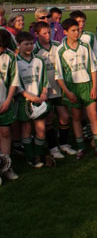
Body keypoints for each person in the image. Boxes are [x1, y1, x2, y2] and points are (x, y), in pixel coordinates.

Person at [54, 18, 97, 160]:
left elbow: (93, 68)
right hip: (72, 87)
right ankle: (81, 147)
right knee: (77, 117)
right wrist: (67, 92)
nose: (76, 33)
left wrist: (94, 86)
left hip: (87, 85)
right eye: (73, 30)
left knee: (93, 116)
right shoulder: (61, 50)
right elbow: (59, 75)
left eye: (78, 30)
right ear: (65, 32)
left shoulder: (85, 46)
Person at [33, 21, 76, 159]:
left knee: (64, 117)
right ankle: (52, 147)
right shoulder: (34, 49)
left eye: (49, 32)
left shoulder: (58, 46)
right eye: (44, 33)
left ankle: (63, 144)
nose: (47, 35)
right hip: (44, 91)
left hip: (59, 88)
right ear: (36, 34)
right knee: (48, 119)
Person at [15, 31, 54, 168]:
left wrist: (43, 93)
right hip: (24, 101)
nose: (29, 47)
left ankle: (38, 155)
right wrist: (28, 95)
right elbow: (16, 85)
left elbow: (44, 80)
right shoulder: (16, 62)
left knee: (41, 129)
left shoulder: (39, 60)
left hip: (39, 100)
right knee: (26, 129)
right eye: (26, 44)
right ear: (18, 45)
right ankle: (30, 157)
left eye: (31, 43)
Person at [0, 29, 19, 181]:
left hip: (4, 102)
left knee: (5, 133)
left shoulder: (10, 56)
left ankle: (6, 165)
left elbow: (13, 80)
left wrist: (8, 100)